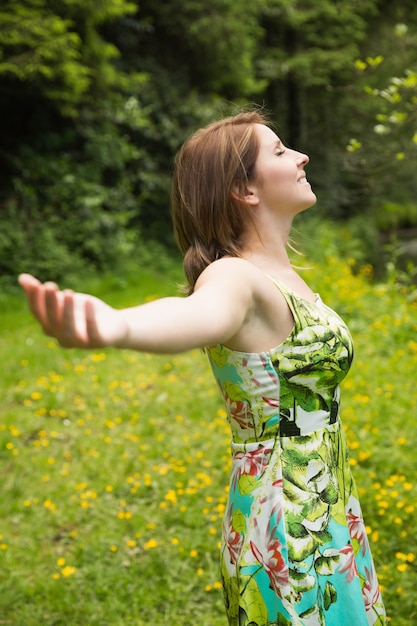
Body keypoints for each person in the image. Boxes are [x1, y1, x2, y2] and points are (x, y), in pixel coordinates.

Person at [19, 109, 387, 625]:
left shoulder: (281, 274)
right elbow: (198, 313)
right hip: (289, 521)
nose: (301, 156)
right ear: (246, 190)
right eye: (280, 151)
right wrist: (114, 327)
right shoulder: (234, 275)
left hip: (327, 502)